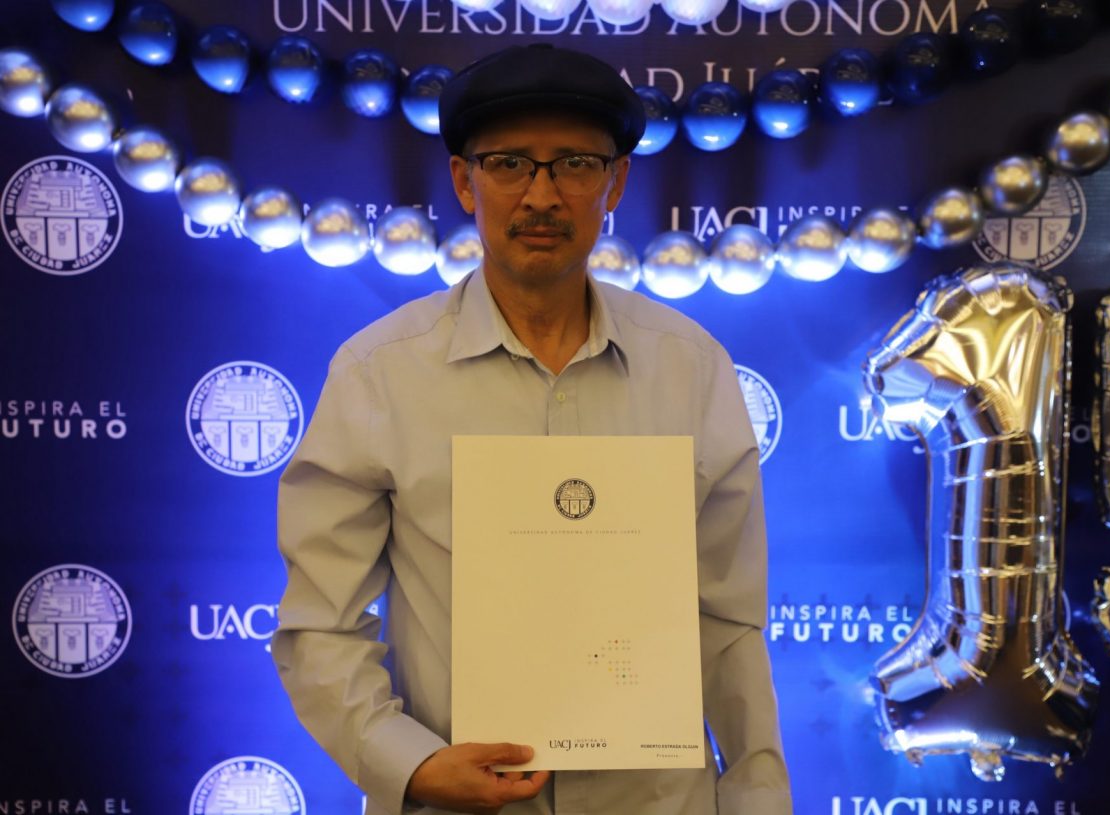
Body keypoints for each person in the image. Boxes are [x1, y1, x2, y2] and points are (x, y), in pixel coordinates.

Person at [271, 43, 792, 815]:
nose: (541, 195)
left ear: (616, 181)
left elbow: (727, 623)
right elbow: (320, 623)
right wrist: (412, 765)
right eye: (509, 164)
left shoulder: (691, 368)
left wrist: (756, 799)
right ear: (464, 180)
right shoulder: (380, 373)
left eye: (575, 164)